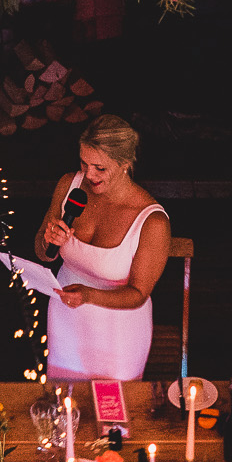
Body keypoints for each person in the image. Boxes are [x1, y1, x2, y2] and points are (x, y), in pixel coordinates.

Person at [35, 115, 171, 382]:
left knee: (113, 414)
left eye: (100, 168)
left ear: (125, 164)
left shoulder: (152, 221)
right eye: (84, 164)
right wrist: (48, 240)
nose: (89, 175)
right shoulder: (69, 186)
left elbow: (139, 294)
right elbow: (42, 250)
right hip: (66, 318)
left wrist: (89, 297)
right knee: (64, 406)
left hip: (118, 330)